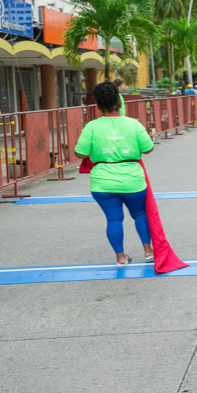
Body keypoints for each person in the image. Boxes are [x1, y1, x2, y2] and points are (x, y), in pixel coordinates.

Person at [75, 82, 155, 266]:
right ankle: (148, 251)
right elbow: (148, 148)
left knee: (113, 219)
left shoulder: (91, 127)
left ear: (98, 106)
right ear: (120, 103)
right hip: (132, 180)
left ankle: (121, 257)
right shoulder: (133, 124)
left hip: (103, 182)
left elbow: (79, 153)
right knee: (140, 214)